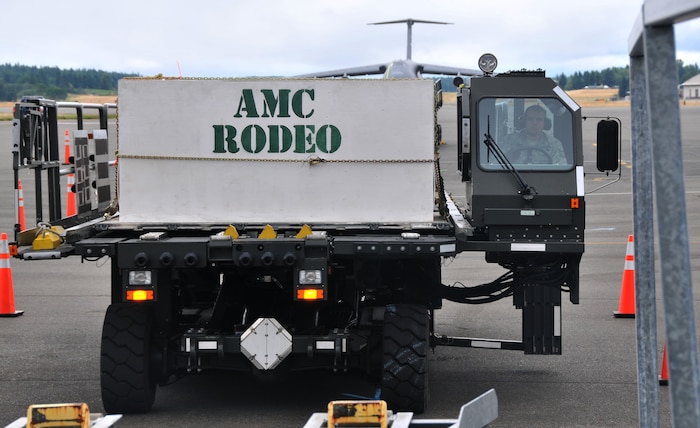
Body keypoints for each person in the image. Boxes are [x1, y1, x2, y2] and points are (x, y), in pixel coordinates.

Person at [500, 104, 567, 165]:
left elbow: (560, 168)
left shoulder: (554, 145)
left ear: (545, 123)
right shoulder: (508, 141)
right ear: (524, 121)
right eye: (530, 119)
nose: (534, 123)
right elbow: (495, 164)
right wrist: (508, 156)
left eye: (539, 120)